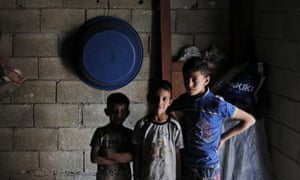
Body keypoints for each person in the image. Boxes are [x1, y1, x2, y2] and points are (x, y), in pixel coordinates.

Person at [168, 57, 256, 180]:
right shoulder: (184, 101)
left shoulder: (217, 104)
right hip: (186, 163)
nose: (189, 84)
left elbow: (249, 120)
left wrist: (224, 138)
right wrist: (176, 122)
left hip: (208, 167)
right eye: (186, 80)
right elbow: (168, 111)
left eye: (194, 80)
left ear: (206, 80)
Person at [132, 80, 184, 180]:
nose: (160, 102)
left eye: (164, 99)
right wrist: (136, 176)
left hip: (168, 177)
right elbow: (137, 154)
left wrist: (178, 176)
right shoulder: (142, 125)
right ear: (149, 99)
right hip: (147, 176)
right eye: (156, 98)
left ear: (170, 102)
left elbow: (177, 154)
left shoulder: (174, 126)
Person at [90, 92, 133, 180]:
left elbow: (130, 156)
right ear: (107, 112)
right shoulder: (101, 132)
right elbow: (94, 158)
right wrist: (120, 159)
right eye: (114, 111)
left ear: (127, 113)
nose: (118, 115)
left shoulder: (129, 134)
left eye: (122, 112)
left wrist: (109, 154)